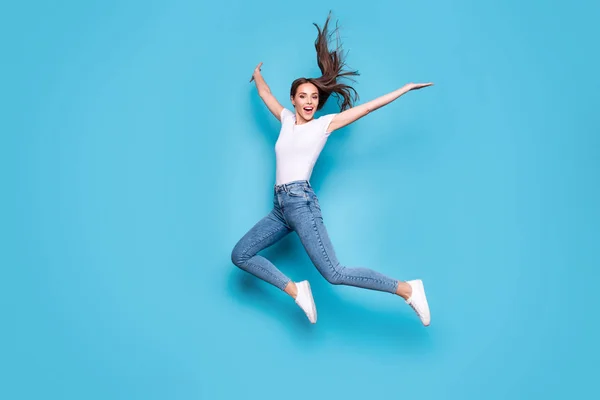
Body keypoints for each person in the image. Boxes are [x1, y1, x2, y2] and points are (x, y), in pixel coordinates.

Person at [231, 13, 433, 326]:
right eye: (303, 96)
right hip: (280, 208)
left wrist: (403, 89)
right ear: (294, 100)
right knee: (240, 255)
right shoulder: (285, 119)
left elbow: (367, 108)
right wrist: (256, 74)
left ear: (318, 101)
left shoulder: (324, 125)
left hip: (301, 203)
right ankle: (295, 289)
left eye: (314, 97)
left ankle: (407, 289)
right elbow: (265, 94)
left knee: (334, 274)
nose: (309, 101)